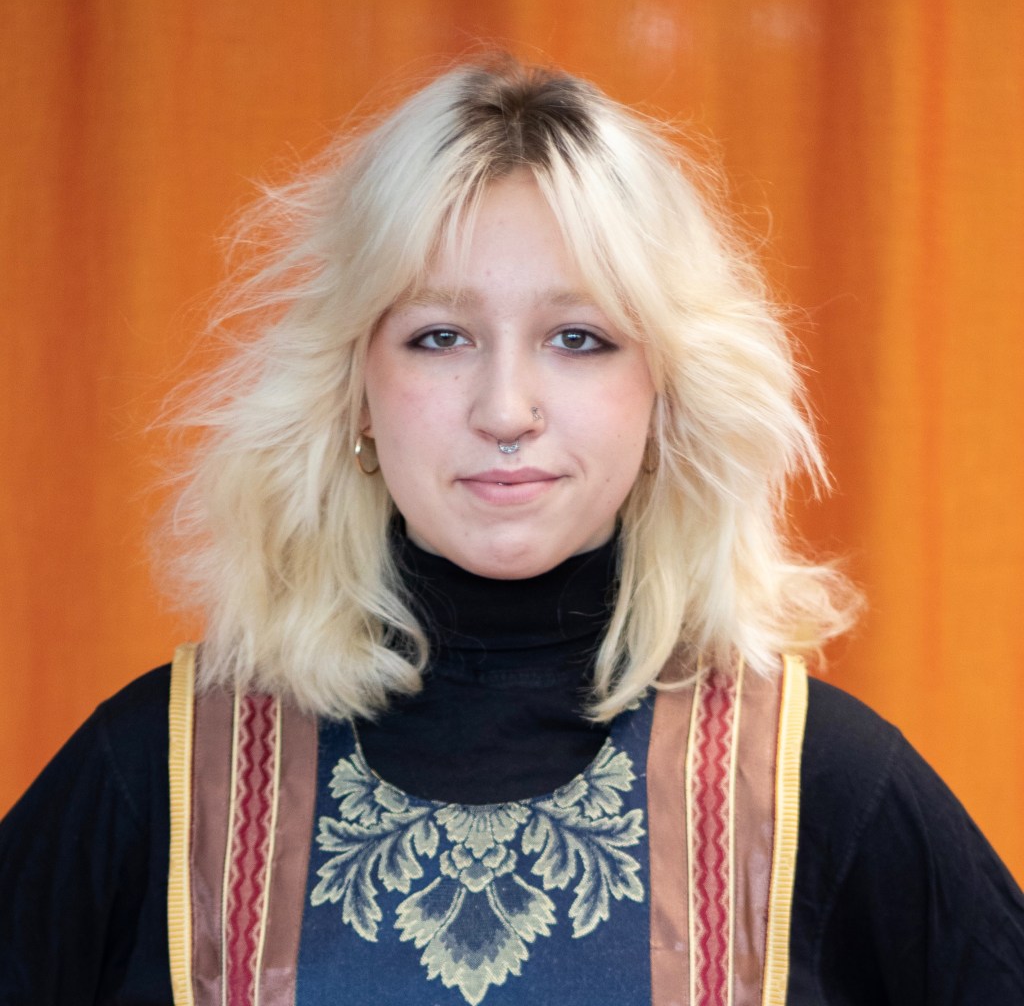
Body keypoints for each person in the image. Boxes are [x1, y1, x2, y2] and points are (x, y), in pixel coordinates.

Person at [1, 57, 1022, 1006]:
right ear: (355, 388)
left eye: (578, 338)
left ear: (664, 394)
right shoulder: (163, 773)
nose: (505, 408)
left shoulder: (818, 781)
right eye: (439, 336)